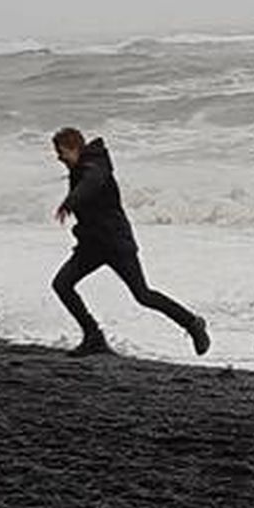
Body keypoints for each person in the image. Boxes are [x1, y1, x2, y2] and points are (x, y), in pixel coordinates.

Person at [50, 127, 209, 358]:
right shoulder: (80, 168)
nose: (59, 157)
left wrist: (69, 202)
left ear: (74, 148)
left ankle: (193, 323)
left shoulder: (96, 166)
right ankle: (93, 337)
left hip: (116, 243)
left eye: (61, 152)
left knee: (143, 295)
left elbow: (92, 182)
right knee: (62, 284)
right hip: (91, 245)